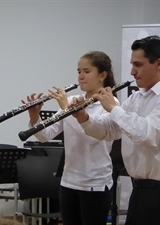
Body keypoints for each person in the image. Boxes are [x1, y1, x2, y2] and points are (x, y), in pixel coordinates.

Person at [72, 35, 160, 225]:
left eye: (138, 65)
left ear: (159, 64)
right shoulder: (138, 97)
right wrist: (84, 118)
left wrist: (113, 107)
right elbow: (109, 130)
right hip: (141, 191)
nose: (132, 71)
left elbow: (148, 134)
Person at [22, 51, 119, 225]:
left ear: (102, 75)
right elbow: (45, 136)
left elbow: (93, 135)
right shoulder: (74, 100)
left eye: (87, 71)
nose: (81, 76)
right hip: (69, 182)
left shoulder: (110, 104)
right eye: (78, 71)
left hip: (95, 184)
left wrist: (67, 109)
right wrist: (34, 117)